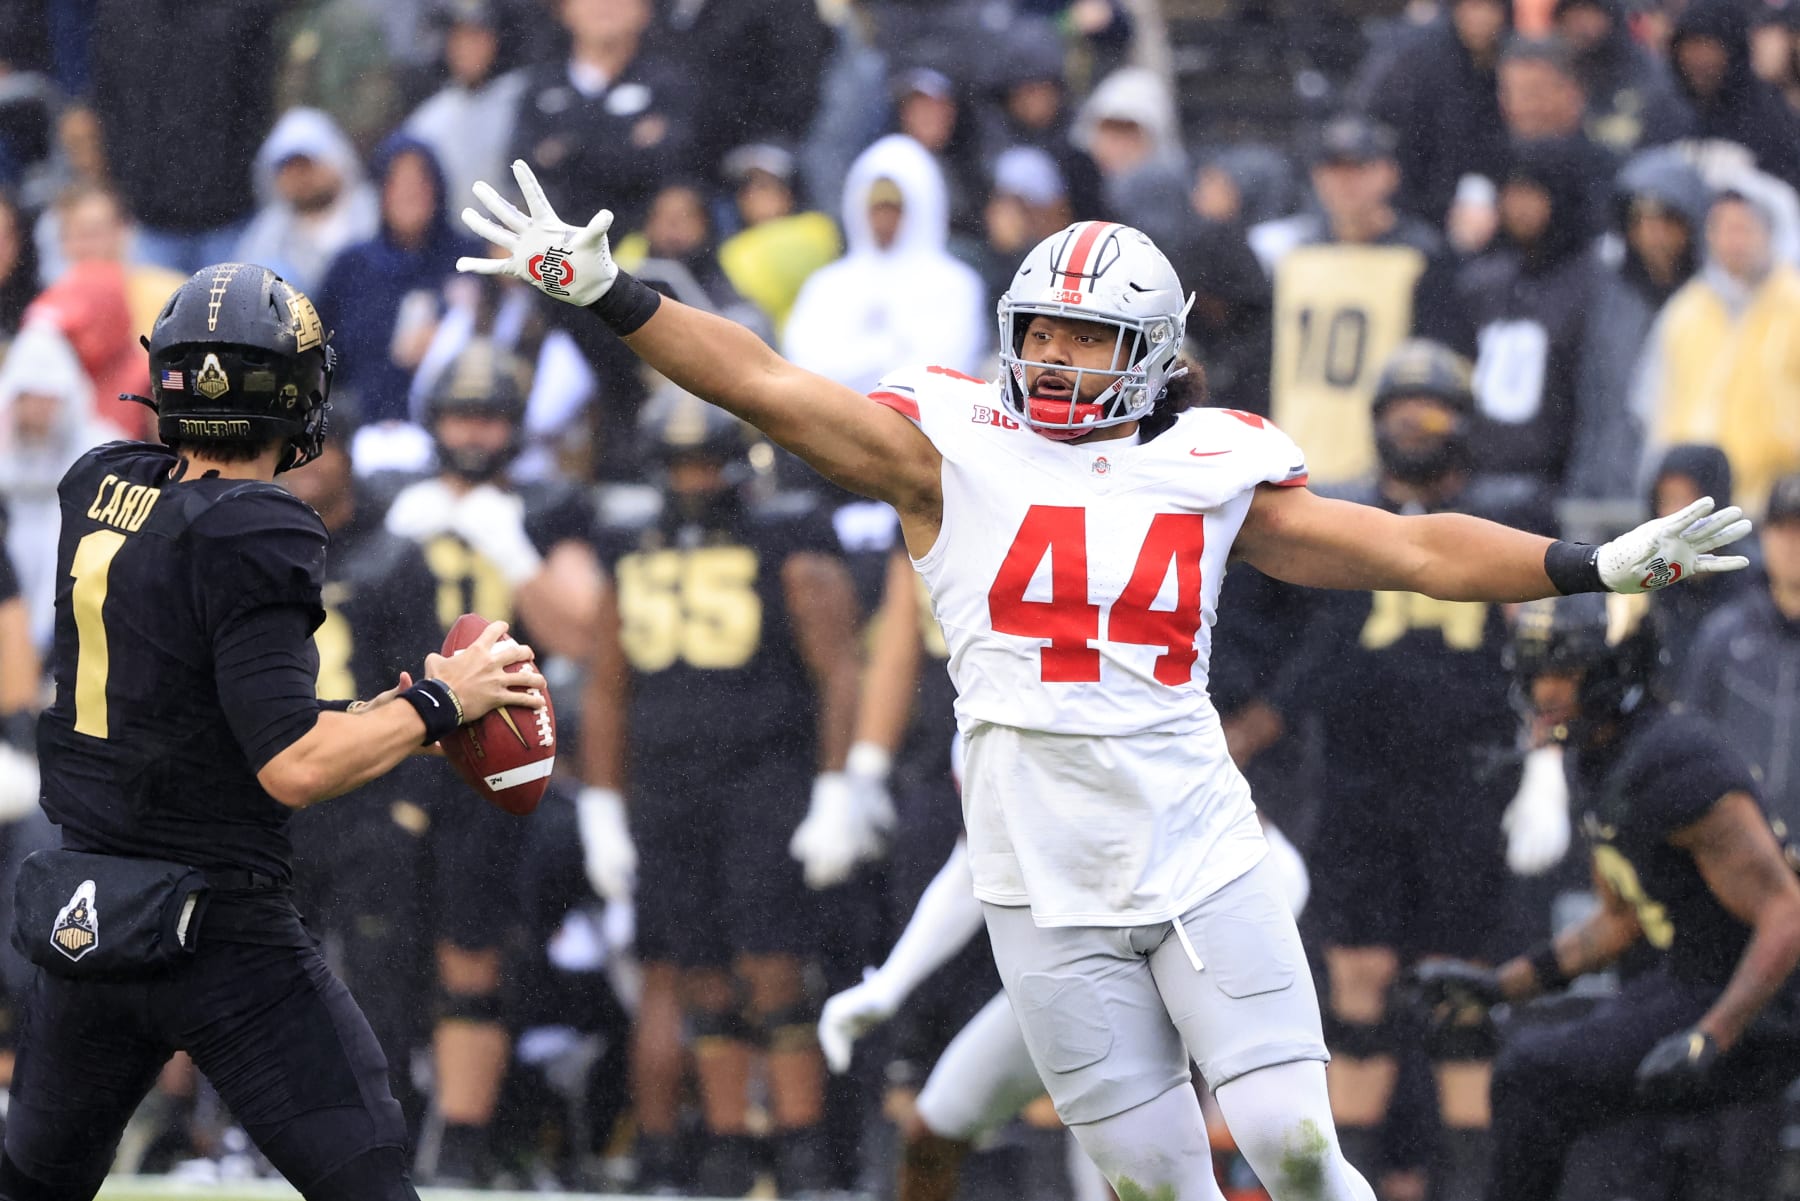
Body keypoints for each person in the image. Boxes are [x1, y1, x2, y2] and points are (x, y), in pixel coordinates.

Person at [457, 162, 1753, 1201]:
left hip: (1197, 845)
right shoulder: (950, 448)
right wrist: (610, 291)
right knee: (1155, 1182)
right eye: (1046, 334)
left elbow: (1409, 546)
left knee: (1298, 1154)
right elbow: (771, 386)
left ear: (1156, 352)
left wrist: (1592, 563)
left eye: (1092, 339)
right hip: (1039, 880)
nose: (1062, 362)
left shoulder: (1206, 465)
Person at [0, 263, 544, 1201]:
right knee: (372, 1182)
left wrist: (397, 720)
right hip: (219, 930)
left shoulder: (98, 484)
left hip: (89, 917)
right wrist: (442, 703)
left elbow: (212, 719)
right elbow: (290, 764)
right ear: (299, 391)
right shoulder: (260, 525)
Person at [1413, 591, 1800, 1201]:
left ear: (1619, 667)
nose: (1545, 692)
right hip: (1689, 981)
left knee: (1533, 1080)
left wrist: (1713, 1035)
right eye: (1537, 672)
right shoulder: (1606, 753)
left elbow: (1787, 912)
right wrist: (1501, 986)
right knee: (1553, 1086)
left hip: (1759, 1004)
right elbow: (1620, 921)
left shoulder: (1673, 763)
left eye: (1564, 671)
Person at [582, 384, 861, 1196]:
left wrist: (840, 786)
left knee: (773, 966)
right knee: (699, 971)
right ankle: (731, 1145)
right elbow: (606, 686)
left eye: (706, 462)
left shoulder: (788, 537)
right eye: (680, 464)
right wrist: (603, 806)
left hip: (762, 776)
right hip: (668, 787)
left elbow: (839, 667)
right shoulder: (632, 544)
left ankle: (804, 1144)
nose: (694, 479)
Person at [1293, 340, 1555, 1201]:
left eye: (1431, 413)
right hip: (1360, 782)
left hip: (1467, 785)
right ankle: (1350, 1184)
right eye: (1399, 413)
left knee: (1460, 992)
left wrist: (1547, 758)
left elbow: (1549, 637)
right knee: (1358, 987)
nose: (1413, 429)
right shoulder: (1342, 513)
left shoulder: (1503, 514)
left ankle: (1469, 1188)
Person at [381, 339, 605, 1184]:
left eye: (491, 416)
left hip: (495, 760)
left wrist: (512, 549)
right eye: (460, 414)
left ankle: (464, 1143)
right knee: (373, 948)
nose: (473, 432)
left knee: (472, 953)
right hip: (391, 750)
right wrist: (376, 543)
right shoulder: (388, 503)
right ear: (433, 421)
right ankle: (378, 1125)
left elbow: (581, 630)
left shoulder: (547, 508)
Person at [1681, 470, 1800, 837]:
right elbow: (1691, 750)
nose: (1793, 543)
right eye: (1782, 528)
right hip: (1742, 856)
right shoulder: (1724, 636)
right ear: (1764, 535)